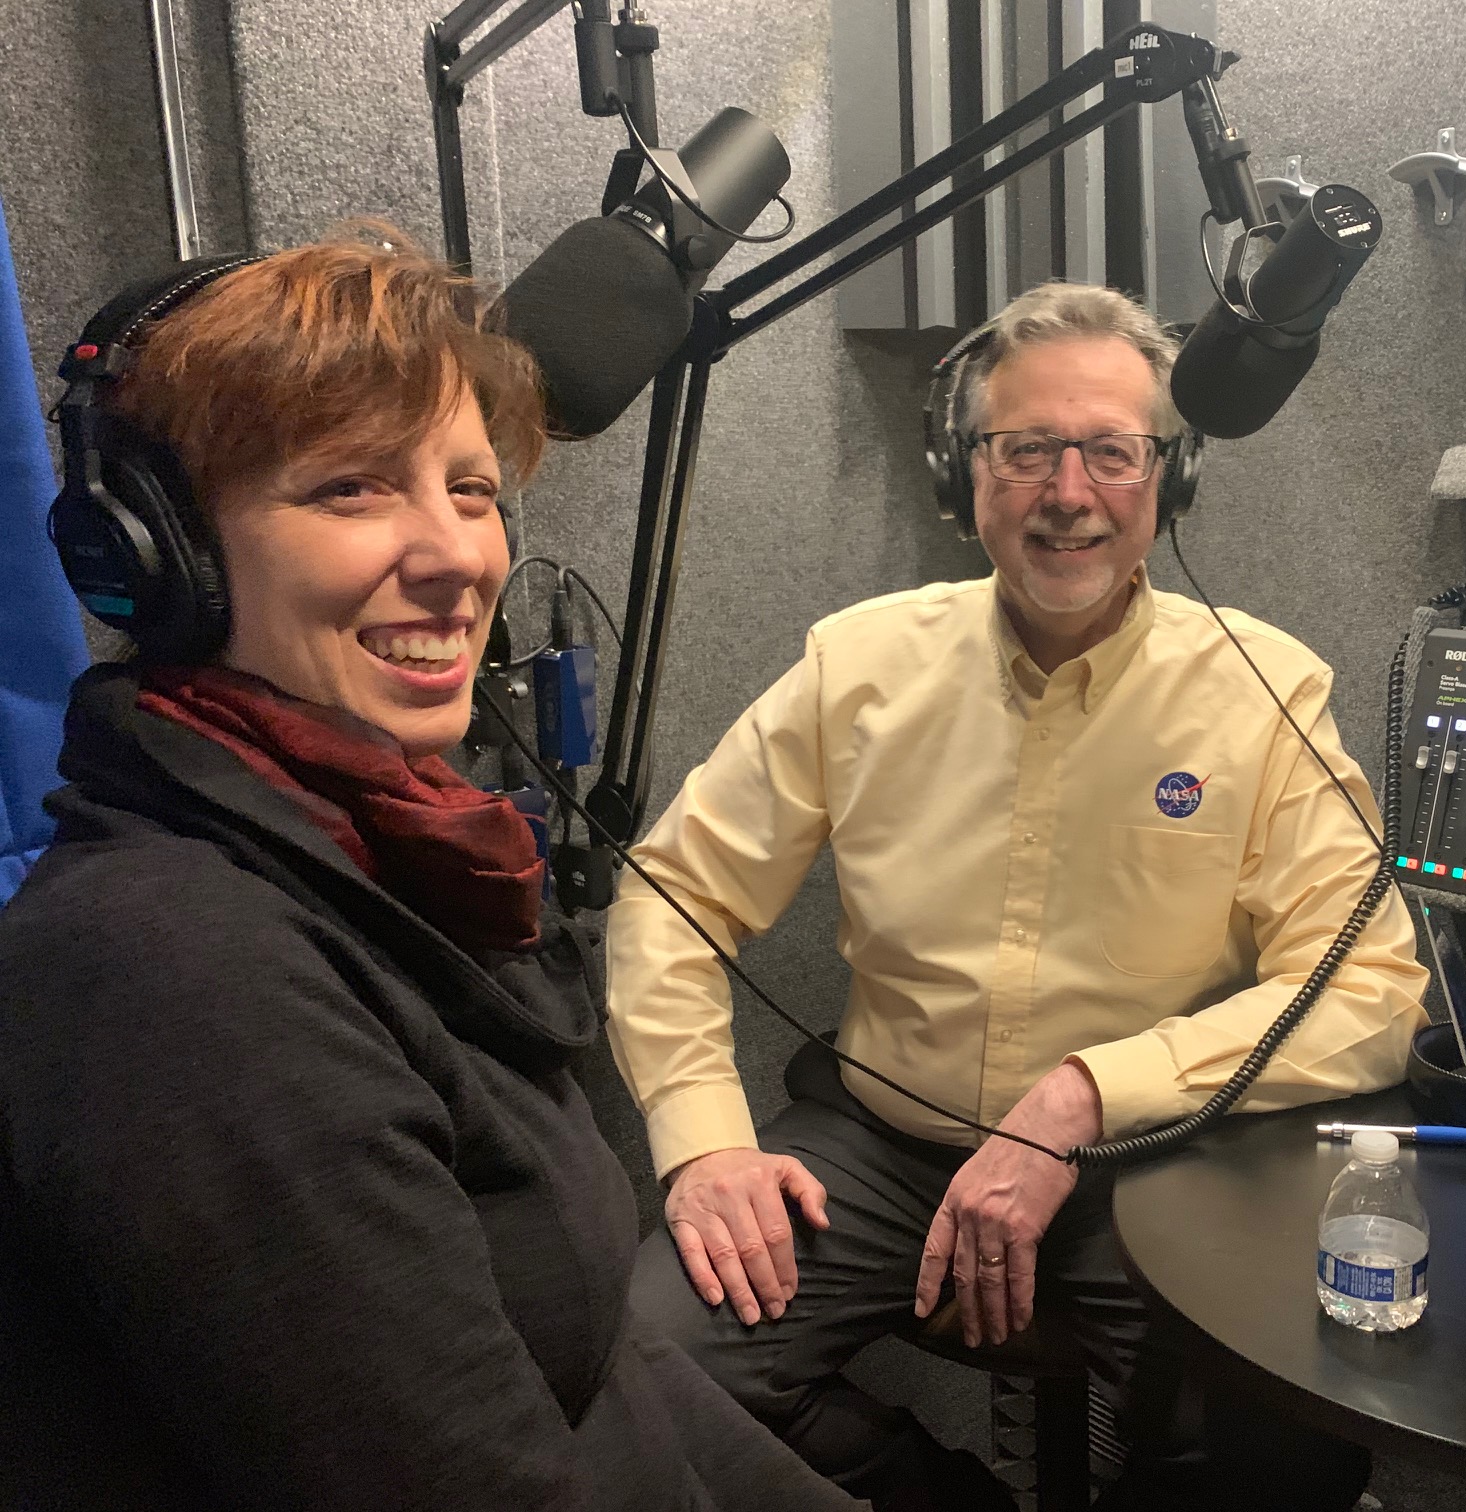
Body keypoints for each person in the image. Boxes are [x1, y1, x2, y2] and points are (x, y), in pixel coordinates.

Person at [0, 226, 860, 1512]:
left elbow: (589, 1364)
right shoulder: (176, 976)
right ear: (150, 550)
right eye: (349, 487)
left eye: (468, 489)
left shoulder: (379, 854)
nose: (458, 555)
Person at [605, 280, 1430, 1510]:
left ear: (1170, 476)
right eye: (1026, 449)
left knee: (1284, 1435)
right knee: (654, 1363)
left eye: (1110, 451)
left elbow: (1372, 992)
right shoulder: (859, 664)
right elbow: (672, 892)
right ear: (962, 472)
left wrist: (1084, 1097)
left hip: (1153, 1167)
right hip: (887, 1144)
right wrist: (706, 1144)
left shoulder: (1264, 692)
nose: (1067, 493)